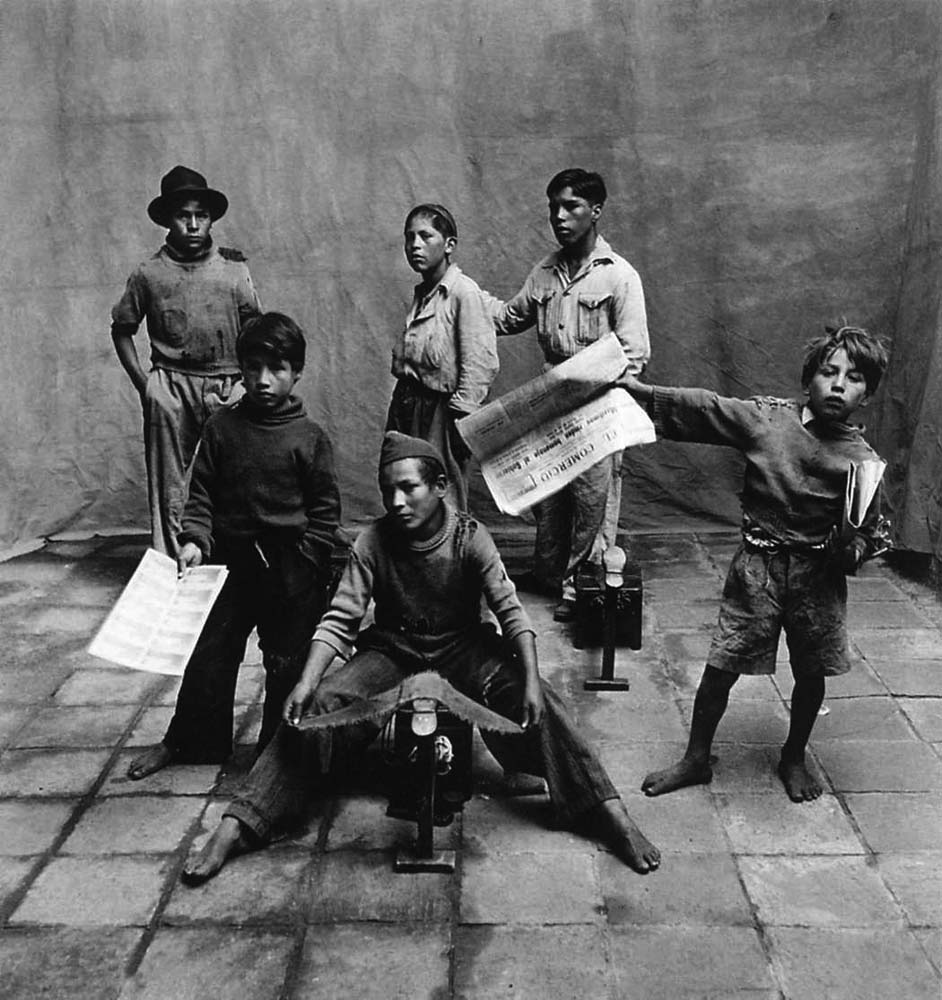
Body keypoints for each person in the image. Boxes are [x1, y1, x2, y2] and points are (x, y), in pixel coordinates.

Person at [181, 431, 660, 882]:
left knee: (543, 704)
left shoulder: (469, 536)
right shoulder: (373, 540)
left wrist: (532, 680)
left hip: (463, 647)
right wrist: (306, 683)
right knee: (317, 707)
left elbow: (511, 612)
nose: (396, 501)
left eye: (408, 488)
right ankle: (241, 823)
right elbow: (341, 618)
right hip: (393, 648)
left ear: (440, 487)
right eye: (388, 490)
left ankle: (608, 811)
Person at [617, 325, 890, 802]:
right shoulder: (768, 420)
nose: (838, 385)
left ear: (866, 395)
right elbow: (707, 408)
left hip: (818, 580)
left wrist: (851, 552)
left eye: (854, 378)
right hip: (758, 569)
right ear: (808, 380)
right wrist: (639, 392)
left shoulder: (864, 465)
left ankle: (793, 756)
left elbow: (869, 533)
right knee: (721, 665)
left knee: (811, 674)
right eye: (829, 372)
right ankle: (696, 758)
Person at [127, 313, 341, 780]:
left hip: (290, 566)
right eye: (253, 368)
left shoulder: (309, 438)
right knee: (210, 652)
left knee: (286, 661)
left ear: (297, 372)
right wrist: (194, 542)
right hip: (231, 561)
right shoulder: (222, 428)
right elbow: (201, 495)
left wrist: (307, 560)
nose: (264, 380)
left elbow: (326, 513)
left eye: (277, 369)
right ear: (240, 370)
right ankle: (191, 742)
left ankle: (276, 750)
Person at [489, 169, 650, 622]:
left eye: (571, 207)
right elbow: (508, 317)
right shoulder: (544, 272)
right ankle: (549, 574)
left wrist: (594, 388)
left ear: (595, 211)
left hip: (599, 404)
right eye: (553, 208)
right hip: (551, 402)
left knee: (592, 500)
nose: (559, 217)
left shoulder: (619, 276)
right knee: (551, 493)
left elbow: (634, 354)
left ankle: (582, 588)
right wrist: (462, 294)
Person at [111, 165, 263, 556]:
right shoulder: (149, 274)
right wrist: (146, 386)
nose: (193, 225)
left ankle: (229, 557)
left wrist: (247, 385)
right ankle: (170, 562)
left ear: (211, 219)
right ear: (167, 219)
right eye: (183, 215)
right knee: (169, 482)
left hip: (227, 384)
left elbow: (257, 333)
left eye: (201, 215)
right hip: (172, 385)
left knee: (236, 472)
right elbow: (122, 329)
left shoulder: (234, 270)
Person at [386, 203, 499, 511]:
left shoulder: (463, 293)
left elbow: (480, 363)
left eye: (426, 236)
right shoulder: (423, 293)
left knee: (440, 495)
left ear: (449, 245)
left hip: (441, 412)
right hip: (407, 404)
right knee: (405, 487)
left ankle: (449, 545)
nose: (415, 245)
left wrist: (460, 418)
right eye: (410, 237)